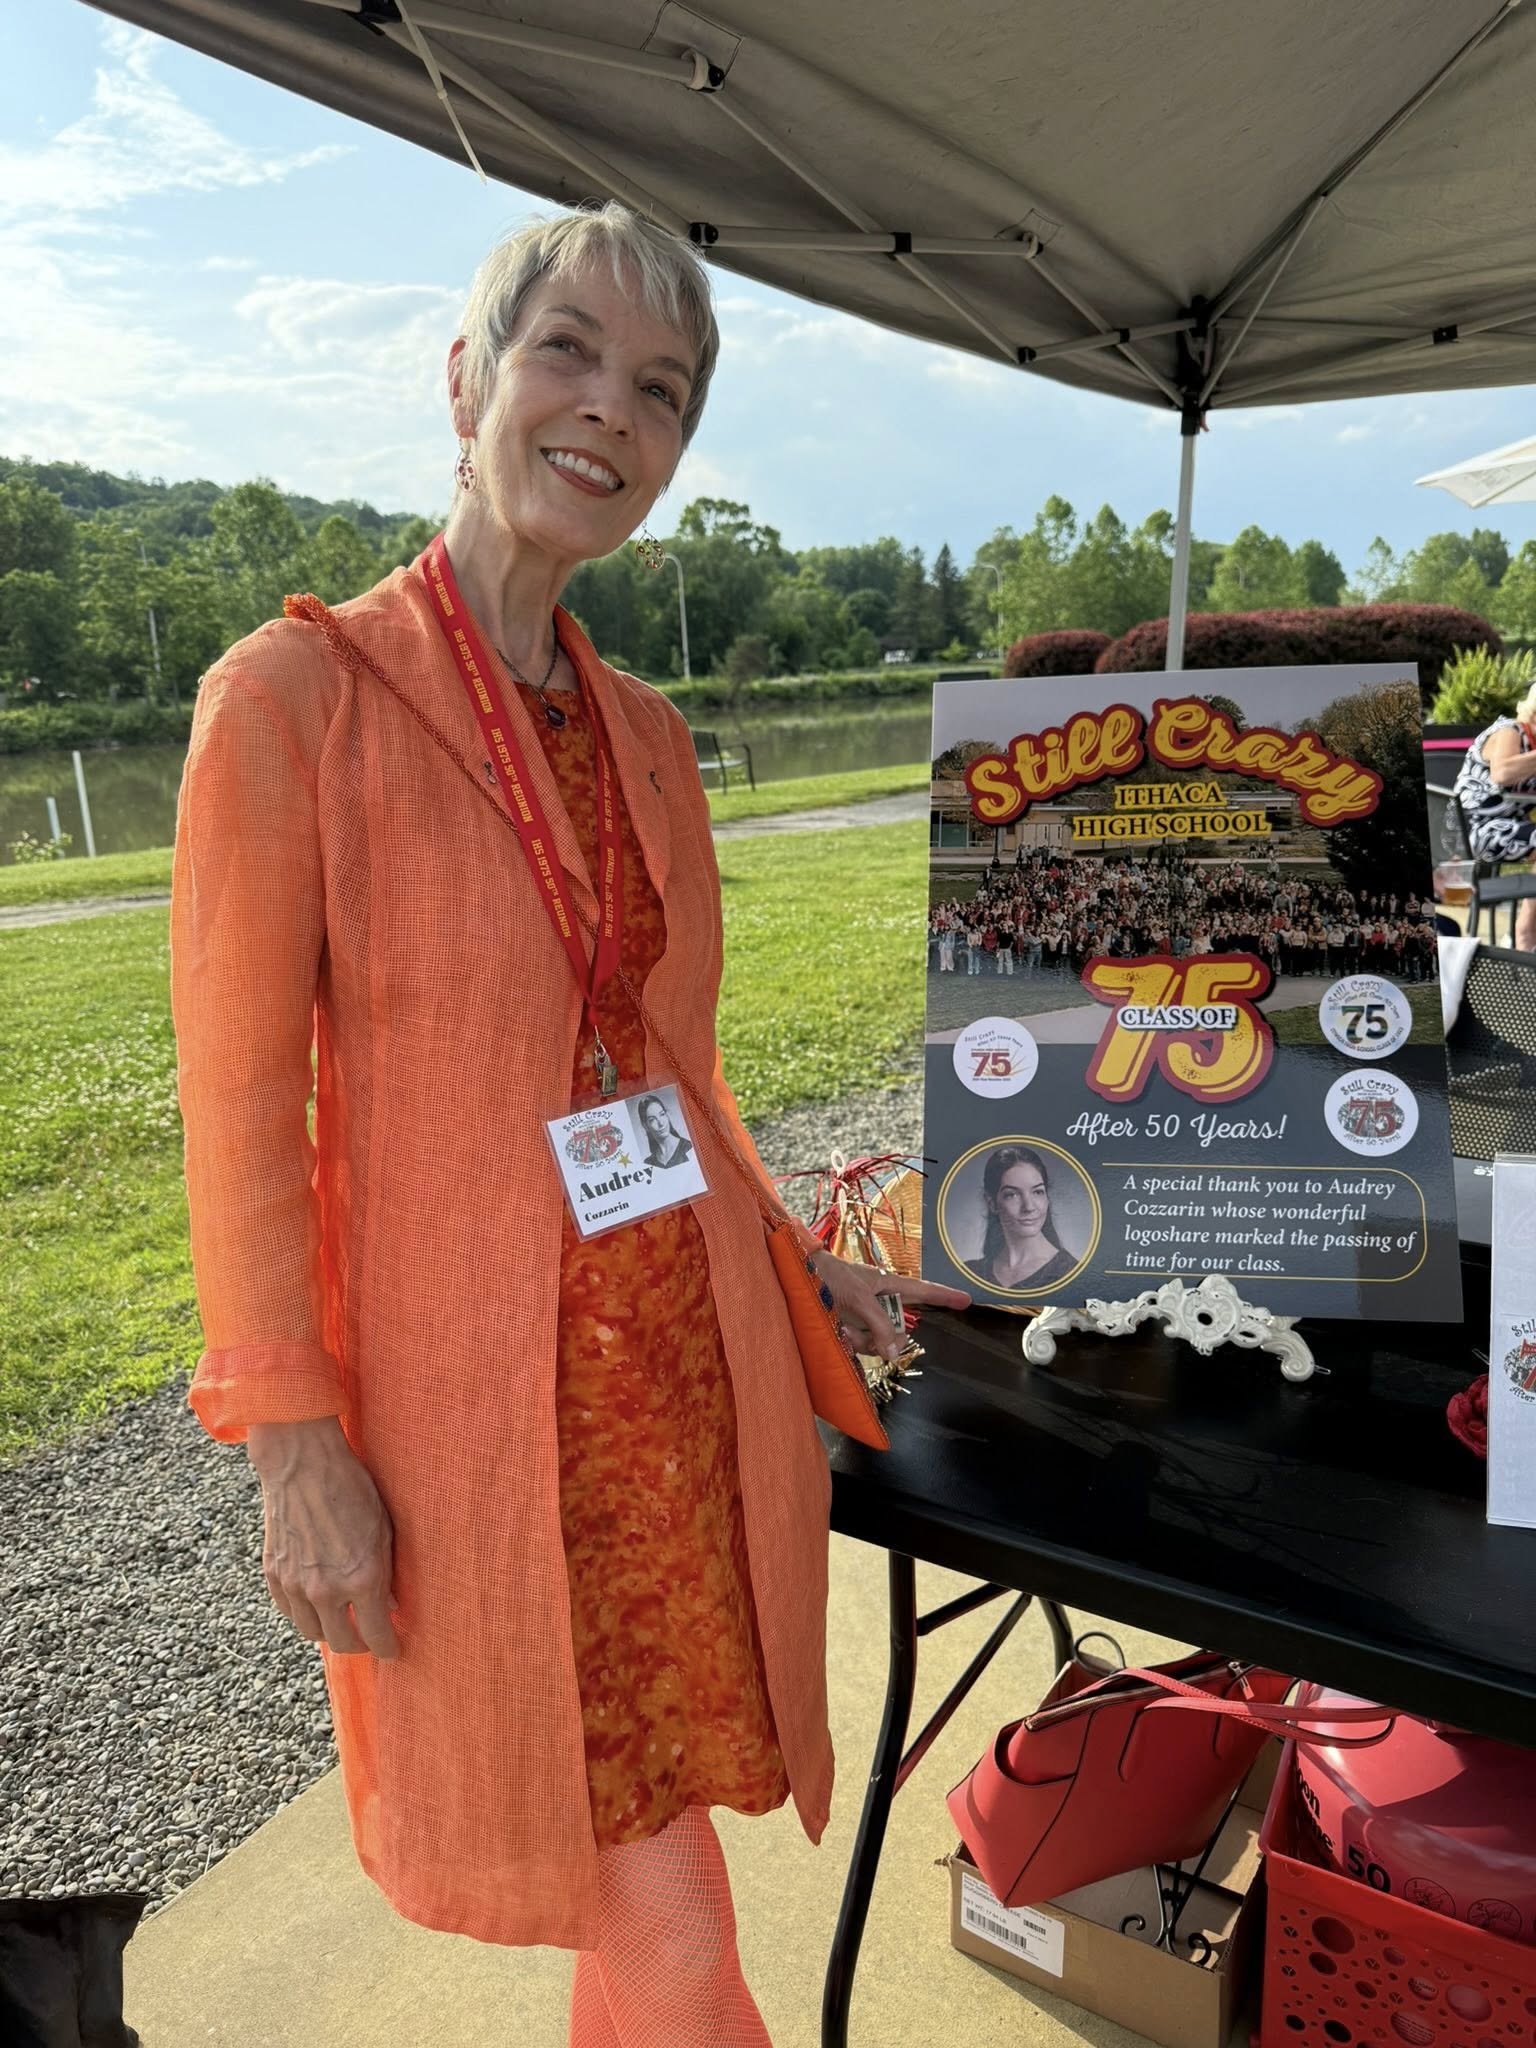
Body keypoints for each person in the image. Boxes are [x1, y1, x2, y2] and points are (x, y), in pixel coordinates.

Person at [168, 200, 971, 2045]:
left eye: (663, 389)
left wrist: (794, 1260)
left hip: (670, 1392)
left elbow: (676, 1063)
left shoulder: (649, 731)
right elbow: (238, 1115)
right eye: (570, 352)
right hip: (483, 1419)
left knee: (656, 1855)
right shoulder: (295, 701)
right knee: (673, 1924)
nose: (613, 407)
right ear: (467, 379)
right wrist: (294, 1447)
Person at [1452, 688, 1536, 950]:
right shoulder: (1510, 730)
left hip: (1503, 827)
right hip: (1472, 830)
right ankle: (1524, 933)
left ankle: (1524, 933)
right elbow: (1502, 772)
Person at [964, 1146, 1081, 1292]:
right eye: (1012, 1194)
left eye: (1037, 1192)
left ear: (1047, 1197)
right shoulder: (970, 1273)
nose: (1029, 1207)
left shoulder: (1072, 1275)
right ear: (992, 1203)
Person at [637, 1092, 694, 1170]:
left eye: (662, 1114)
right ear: (645, 1126)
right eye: (652, 1120)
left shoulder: (688, 1148)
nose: (661, 1123)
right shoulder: (648, 1163)